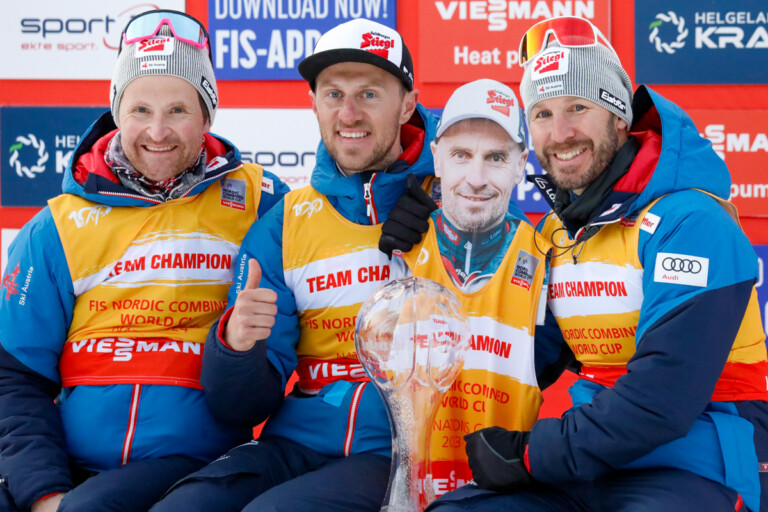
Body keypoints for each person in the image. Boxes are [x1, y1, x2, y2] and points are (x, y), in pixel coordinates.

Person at [427, 16, 768, 512]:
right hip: (590, 468)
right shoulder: (558, 234)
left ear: (620, 116)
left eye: (578, 107)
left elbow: (663, 399)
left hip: (698, 464)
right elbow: (517, 352)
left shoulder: (691, 221)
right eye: (541, 114)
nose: (560, 132)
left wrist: (529, 456)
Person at [0, 9, 287, 512]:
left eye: (178, 109)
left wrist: (422, 192)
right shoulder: (58, 226)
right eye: (139, 110)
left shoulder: (261, 203)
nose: (158, 131)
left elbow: (344, 219)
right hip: (68, 465)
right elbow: (15, 377)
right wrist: (44, 493)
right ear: (116, 111)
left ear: (207, 114)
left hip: (193, 463)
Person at [150, 18, 439, 512]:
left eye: (369, 94)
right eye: (332, 94)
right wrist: (236, 348)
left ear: (407, 104)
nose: (348, 113)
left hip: (403, 452)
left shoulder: (460, 197)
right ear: (313, 103)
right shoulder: (284, 223)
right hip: (296, 445)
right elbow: (242, 406)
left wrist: (454, 224)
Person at [399, 78, 551, 499]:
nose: (477, 178)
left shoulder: (546, 261)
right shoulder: (396, 246)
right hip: (397, 489)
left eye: (496, 158)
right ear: (437, 159)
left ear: (522, 163)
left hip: (499, 496)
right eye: (461, 155)